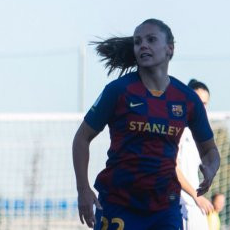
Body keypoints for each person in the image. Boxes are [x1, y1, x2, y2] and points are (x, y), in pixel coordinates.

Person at [72, 18, 221, 230]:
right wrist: (83, 189)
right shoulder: (119, 91)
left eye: (151, 40)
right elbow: (81, 138)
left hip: (164, 208)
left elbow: (209, 150)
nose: (143, 45)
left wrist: (211, 167)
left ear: (170, 49)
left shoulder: (187, 99)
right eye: (138, 41)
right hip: (119, 204)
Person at [177, 79, 214, 230]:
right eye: (198, 101)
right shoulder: (177, 129)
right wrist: (195, 195)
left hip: (194, 205)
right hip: (178, 204)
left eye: (205, 103)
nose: (202, 106)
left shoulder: (199, 134)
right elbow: (171, 167)